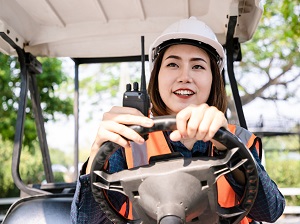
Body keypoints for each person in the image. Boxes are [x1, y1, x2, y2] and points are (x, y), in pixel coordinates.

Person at [70, 17, 285, 224]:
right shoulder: (127, 140)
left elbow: (270, 210)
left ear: (213, 80)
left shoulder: (238, 139)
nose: (184, 76)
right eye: (173, 64)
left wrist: (225, 143)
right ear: (157, 77)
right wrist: (96, 156)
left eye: (198, 66)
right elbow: (86, 221)